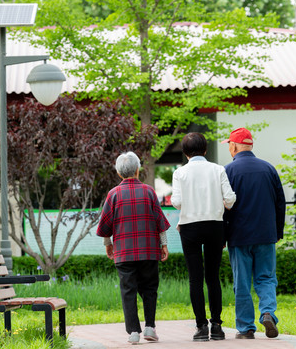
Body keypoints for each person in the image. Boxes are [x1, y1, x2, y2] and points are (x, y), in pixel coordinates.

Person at [96, 152, 170, 344]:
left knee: (128, 290)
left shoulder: (113, 194)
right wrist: (164, 244)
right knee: (150, 288)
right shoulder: (148, 191)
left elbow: (105, 225)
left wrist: (108, 245)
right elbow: (160, 222)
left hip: (124, 253)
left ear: (119, 173)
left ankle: (133, 332)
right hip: (148, 251)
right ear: (138, 170)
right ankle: (150, 328)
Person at [171, 132, 236, 342]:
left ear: (185, 152)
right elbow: (230, 199)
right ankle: (217, 325)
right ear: (205, 150)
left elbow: (177, 202)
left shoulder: (180, 173)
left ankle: (201, 327)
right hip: (215, 226)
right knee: (213, 276)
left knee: (195, 278)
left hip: (190, 226)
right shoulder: (218, 169)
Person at [222, 127, 286, 339]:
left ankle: (246, 328)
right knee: (266, 278)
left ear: (234, 145)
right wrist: (278, 231)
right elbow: (280, 203)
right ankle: (268, 312)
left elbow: (222, 206)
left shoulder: (228, 171)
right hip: (266, 234)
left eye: (229, 145)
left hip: (239, 236)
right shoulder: (269, 169)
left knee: (242, 282)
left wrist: (223, 235)